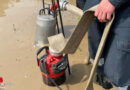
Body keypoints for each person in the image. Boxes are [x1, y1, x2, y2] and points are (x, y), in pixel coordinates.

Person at [76, 0, 130, 90]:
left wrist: (112, 2)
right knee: (96, 50)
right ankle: (101, 74)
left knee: (118, 72)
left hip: (125, 12)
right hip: (93, 10)